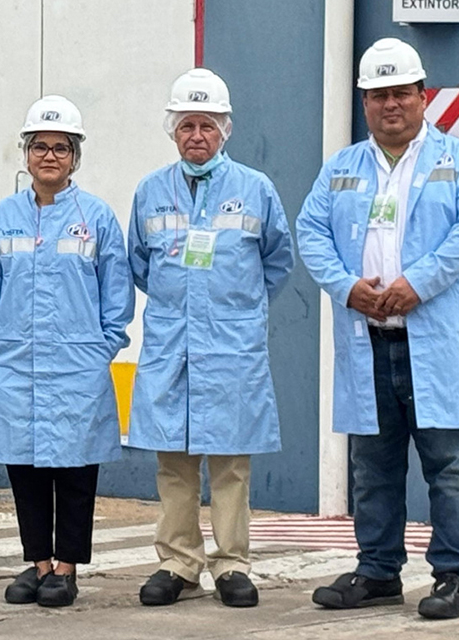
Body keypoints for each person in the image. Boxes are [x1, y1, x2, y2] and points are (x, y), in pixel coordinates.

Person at [298, 37, 459, 621]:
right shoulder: (342, 167)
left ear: (422, 96)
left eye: (401, 93)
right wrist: (347, 287)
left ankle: (453, 574)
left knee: (450, 468)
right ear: (364, 102)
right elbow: (311, 232)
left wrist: (419, 282)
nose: (390, 105)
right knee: (372, 467)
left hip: (433, 341)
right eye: (378, 95)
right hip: (369, 342)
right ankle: (378, 571)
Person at [126, 69, 294, 608]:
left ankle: (232, 565)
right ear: (173, 131)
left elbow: (277, 261)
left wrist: (235, 307)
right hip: (172, 344)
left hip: (231, 347)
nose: (196, 135)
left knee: (230, 463)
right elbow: (140, 265)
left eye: (207, 125)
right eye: (186, 125)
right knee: (173, 463)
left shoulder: (255, 189)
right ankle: (177, 563)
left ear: (225, 130)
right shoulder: (151, 191)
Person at [0, 96, 134, 608]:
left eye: (60, 148)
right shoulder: (4, 216)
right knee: (24, 466)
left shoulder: (96, 217)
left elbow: (118, 294)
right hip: (17, 364)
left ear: (74, 156)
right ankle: (37, 562)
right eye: (39, 146)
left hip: (77, 367)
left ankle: (66, 567)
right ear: (25, 154)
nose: (49, 156)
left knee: (75, 467)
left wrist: (100, 348)